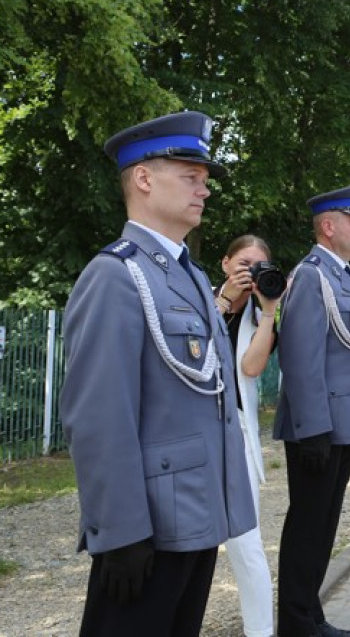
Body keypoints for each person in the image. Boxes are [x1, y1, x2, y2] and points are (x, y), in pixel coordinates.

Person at [60, 111, 256, 637]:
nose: (204, 190)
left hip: (194, 516)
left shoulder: (188, 276)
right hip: (149, 530)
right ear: (144, 178)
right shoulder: (115, 276)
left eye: (206, 180)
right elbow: (99, 417)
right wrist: (121, 532)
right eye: (191, 176)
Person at [274, 185, 350, 637]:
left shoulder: (342, 276)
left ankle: (311, 615)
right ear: (328, 226)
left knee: (324, 526)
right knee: (308, 526)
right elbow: (300, 358)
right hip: (320, 427)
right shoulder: (312, 275)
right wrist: (313, 427)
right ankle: (296, 624)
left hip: (342, 424)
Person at [216, 234, 284, 637]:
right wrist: (224, 297)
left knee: (247, 542)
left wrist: (269, 310)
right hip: (191, 431)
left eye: (259, 266)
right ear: (225, 263)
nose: (251, 273)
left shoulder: (262, 315)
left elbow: (252, 367)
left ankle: (260, 632)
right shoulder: (196, 296)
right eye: (244, 264)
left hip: (236, 434)